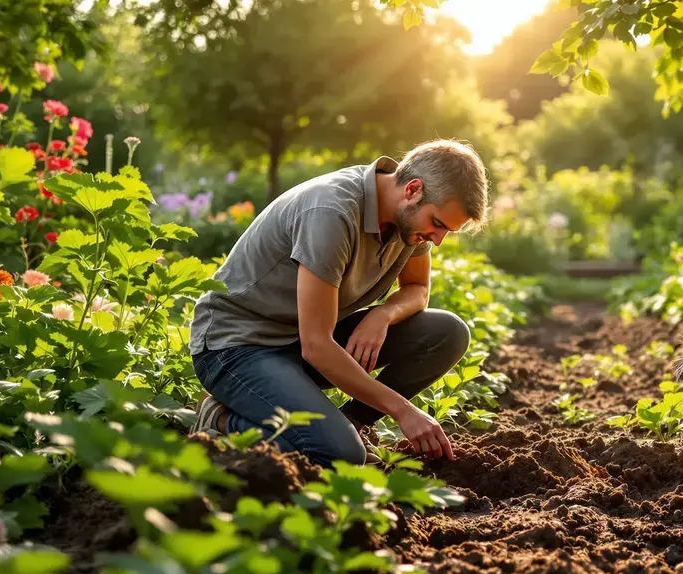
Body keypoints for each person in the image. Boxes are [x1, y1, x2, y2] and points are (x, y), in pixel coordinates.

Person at [187, 139, 489, 468]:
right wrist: (402, 410)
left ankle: (348, 428)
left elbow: (417, 288)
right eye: (439, 224)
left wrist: (383, 316)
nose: (438, 239)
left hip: (300, 341)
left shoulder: (411, 223)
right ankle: (220, 418)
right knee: (339, 456)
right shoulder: (332, 212)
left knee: (447, 333)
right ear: (413, 190)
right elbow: (317, 346)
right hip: (237, 346)